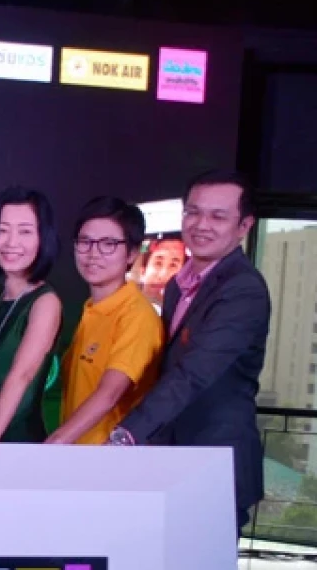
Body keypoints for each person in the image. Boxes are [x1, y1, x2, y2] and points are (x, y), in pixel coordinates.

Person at [109, 170, 271, 533]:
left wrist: (128, 434)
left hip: (214, 464)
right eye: (193, 212)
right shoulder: (178, 287)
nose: (201, 225)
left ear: (244, 226)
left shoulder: (243, 290)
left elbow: (193, 372)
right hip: (172, 461)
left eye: (218, 216)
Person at [47, 196, 164, 445]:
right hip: (77, 456)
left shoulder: (137, 315)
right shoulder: (92, 309)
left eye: (108, 244)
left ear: (132, 253)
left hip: (109, 461)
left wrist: (52, 446)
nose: (93, 254)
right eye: (85, 242)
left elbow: (109, 394)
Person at [0, 186, 62, 443]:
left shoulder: (45, 302)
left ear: (42, 238)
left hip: (14, 442)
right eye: (2, 230)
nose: (11, 242)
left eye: (25, 231)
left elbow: (23, 374)